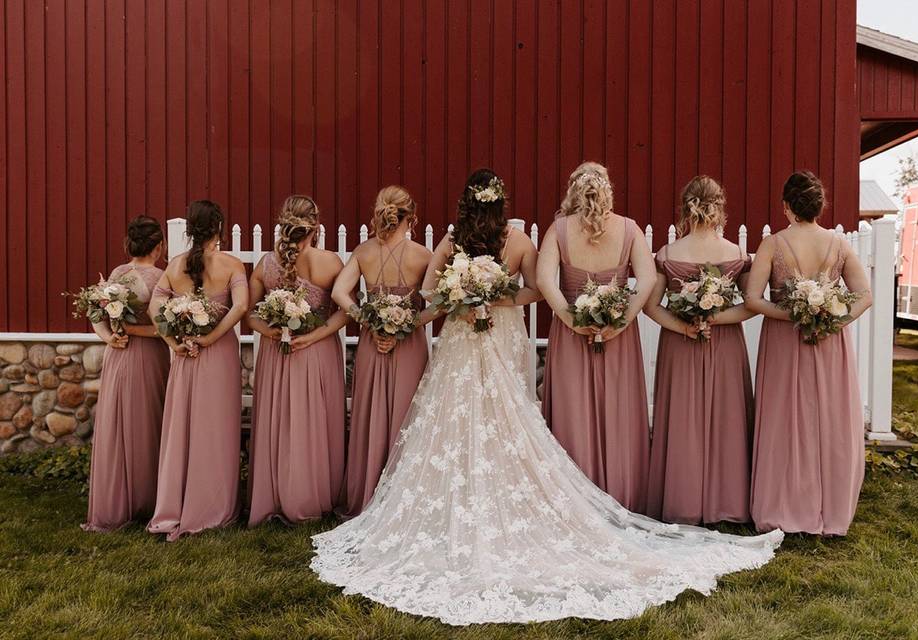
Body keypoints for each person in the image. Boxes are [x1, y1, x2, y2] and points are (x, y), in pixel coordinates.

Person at [309, 168, 783, 626]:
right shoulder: (518, 240)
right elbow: (536, 289)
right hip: (498, 332)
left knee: (464, 415)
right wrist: (500, 299)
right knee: (504, 416)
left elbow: (432, 291)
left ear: (465, 203)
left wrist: (464, 300)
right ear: (501, 204)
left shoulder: (454, 241)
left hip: (464, 335)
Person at [745, 171, 873, 536]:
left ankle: (784, 504)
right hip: (829, 342)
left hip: (785, 342)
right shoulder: (838, 244)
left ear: (786, 206)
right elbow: (865, 296)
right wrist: (831, 320)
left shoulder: (773, 244)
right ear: (820, 206)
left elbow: (753, 299)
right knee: (829, 418)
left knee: (784, 419)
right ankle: (829, 508)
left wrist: (794, 315)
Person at [538, 162, 656, 512]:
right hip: (617, 337)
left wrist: (573, 321)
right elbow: (648, 280)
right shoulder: (629, 229)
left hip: (572, 336)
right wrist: (620, 321)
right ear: (608, 189)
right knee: (618, 410)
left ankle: (574, 501)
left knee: (573, 412)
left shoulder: (558, 230)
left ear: (572, 190)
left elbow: (544, 280)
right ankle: (621, 494)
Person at [643, 176, 755, 525]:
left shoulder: (668, 254)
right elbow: (752, 305)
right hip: (725, 344)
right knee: (727, 416)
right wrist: (717, 318)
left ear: (686, 208)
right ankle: (728, 501)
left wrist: (686, 327)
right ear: (720, 208)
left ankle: (683, 500)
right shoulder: (736, 254)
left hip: (681, 344)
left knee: (683, 417)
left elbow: (650, 306)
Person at [147, 200, 248, 541]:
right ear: (218, 227)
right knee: (216, 428)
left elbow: (154, 307)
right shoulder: (231, 264)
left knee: (183, 427)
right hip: (217, 355)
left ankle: (176, 504)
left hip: (184, 355)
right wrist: (212, 338)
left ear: (190, 229)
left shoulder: (175, 266)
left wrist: (172, 341)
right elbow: (241, 307)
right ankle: (212, 506)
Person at [247, 195, 348, 525]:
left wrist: (273, 332)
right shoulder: (330, 262)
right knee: (314, 421)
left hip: (277, 352)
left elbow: (249, 314)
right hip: (317, 352)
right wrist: (314, 336)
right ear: (316, 226)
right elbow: (347, 312)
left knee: (279, 420)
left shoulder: (265, 264)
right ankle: (313, 497)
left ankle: (275, 496)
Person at [331, 186, 432, 517]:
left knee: (371, 414)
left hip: (371, 343)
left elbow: (339, 293)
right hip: (409, 345)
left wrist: (370, 323)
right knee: (407, 415)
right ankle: (403, 501)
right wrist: (408, 324)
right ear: (411, 218)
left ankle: (369, 492)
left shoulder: (363, 252)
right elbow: (441, 304)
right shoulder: (422, 255)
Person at [83, 215, 169, 532]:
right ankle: (148, 499)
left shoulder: (117, 274)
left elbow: (96, 315)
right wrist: (132, 331)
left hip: (117, 355)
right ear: (158, 246)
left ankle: (116, 499)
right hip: (149, 357)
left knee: (118, 423)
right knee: (148, 422)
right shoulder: (161, 278)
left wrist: (111, 338)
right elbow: (163, 329)